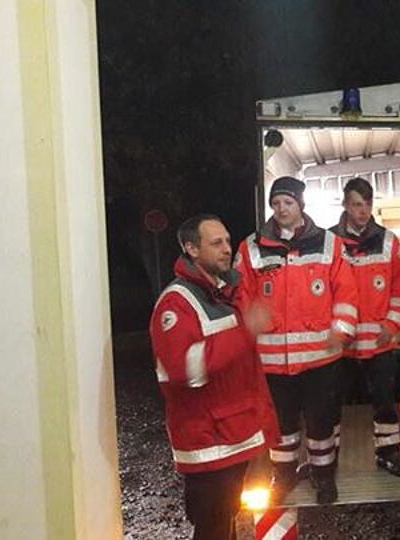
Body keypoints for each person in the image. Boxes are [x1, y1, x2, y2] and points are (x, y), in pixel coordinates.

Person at [149, 214, 281, 540]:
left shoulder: (224, 291)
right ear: (191, 249)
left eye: (227, 241)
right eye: (216, 243)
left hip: (230, 436)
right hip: (208, 444)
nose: (227, 249)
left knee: (224, 523)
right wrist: (244, 331)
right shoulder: (177, 302)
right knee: (213, 528)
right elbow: (183, 369)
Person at [234, 176, 358, 504]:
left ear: (300, 205)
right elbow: (240, 294)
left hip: (320, 358)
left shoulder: (330, 244)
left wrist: (341, 330)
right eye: (276, 203)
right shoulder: (251, 247)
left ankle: (323, 476)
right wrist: (249, 320)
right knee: (280, 425)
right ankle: (284, 475)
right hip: (273, 361)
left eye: (287, 202)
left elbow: (346, 292)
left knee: (321, 423)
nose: (281, 209)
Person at [329, 177, 400, 477]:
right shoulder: (329, 242)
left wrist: (392, 324)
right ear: (344, 205)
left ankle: (388, 453)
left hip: (379, 341)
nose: (362, 211)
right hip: (342, 344)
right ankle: (327, 458)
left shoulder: (389, 241)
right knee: (330, 404)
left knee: (385, 402)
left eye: (367, 204)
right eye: (356, 205)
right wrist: (337, 332)